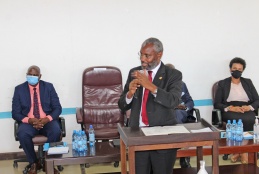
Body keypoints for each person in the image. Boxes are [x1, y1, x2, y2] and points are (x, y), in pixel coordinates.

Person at [118, 38, 182, 174]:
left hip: (163, 138)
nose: (142, 59)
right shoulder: (134, 72)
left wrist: (151, 86)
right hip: (138, 136)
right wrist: (129, 94)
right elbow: (122, 105)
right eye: (141, 54)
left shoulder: (173, 75)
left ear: (159, 55)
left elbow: (173, 101)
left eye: (147, 55)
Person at [12, 65, 62, 174]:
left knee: (56, 130)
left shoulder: (49, 87)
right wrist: (29, 120)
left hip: (47, 121)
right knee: (22, 133)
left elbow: (58, 108)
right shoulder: (19, 89)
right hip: (29, 122)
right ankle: (34, 163)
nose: (32, 77)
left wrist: (46, 119)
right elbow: (15, 113)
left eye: (35, 75)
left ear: (40, 76)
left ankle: (47, 162)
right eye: (30, 74)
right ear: (26, 75)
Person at [214, 57, 259, 164]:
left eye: (240, 69)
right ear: (230, 69)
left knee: (250, 119)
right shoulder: (223, 83)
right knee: (237, 120)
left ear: (242, 71)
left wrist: (250, 107)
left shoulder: (248, 82)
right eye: (235, 68)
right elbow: (217, 103)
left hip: (246, 108)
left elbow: (257, 100)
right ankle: (241, 152)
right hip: (230, 109)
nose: (237, 71)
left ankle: (240, 152)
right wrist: (231, 108)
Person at [166, 63, 194, 168]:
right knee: (175, 115)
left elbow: (190, 100)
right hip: (167, 112)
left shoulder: (182, 84)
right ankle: (176, 150)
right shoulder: (159, 85)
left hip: (181, 112)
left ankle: (183, 156)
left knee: (178, 114)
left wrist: (185, 107)